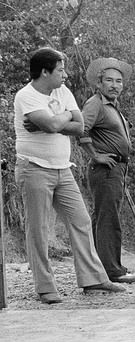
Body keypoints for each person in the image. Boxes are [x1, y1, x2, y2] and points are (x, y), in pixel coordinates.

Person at [13, 47, 126, 303]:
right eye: (61, 70)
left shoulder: (63, 91)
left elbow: (79, 126)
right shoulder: (27, 96)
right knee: (39, 228)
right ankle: (45, 287)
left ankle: (93, 280)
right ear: (45, 72)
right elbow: (56, 125)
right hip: (34, 168)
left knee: (81, 220)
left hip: (63, 168)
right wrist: (59, 120)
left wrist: (56, 119)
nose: (65, 75)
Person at [78, 56, 135, 284]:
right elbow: (80, 130)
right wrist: (96, 155)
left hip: (117, 169)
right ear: (99, 84)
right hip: (106, 168)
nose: (115, 85)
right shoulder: (95, 103)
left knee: (105, 217)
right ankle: (112, 271)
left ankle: (105, 268)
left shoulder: (112, 106)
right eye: (109, 81)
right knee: (107, 218)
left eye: (119, 81)